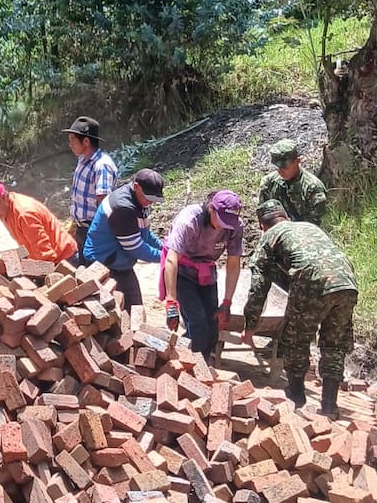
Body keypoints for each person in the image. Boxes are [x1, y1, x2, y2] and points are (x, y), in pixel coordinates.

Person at [243, 200, 357, 416]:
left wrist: (250, 324)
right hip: (347, 282)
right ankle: (330, 406)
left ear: (262, 225)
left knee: (295, 339)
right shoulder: (309, 227)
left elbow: (259, 286)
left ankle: (296, 398)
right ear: (285, 216)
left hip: (312, 282)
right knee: (335, 343)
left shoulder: (270, 236)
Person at [161, 190, 244, 358]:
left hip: (206, 272)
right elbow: (171, 259)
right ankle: (192, 369)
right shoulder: (190, 220)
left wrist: (227, 302)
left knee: (212, 325)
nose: (223, 226)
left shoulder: (235, 227)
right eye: (221, 220)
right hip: (182, 271)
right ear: (211, 208)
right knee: (198, 323)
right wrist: (171, 301)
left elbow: (234, 263)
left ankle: (203, 364)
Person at [83, 168, 166, 311]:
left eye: (154, 199)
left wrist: (165, 248)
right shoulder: (123, 208)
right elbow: (136, 248)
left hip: (120, 262)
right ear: (136, 187)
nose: (150, 202)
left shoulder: (140, 202)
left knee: (136, 310)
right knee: (117, 312)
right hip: (104, 264)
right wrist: (166, 257)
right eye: (149, 198)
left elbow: (145, 234)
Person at [0, 182, 77, 263]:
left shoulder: (25, 214)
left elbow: (46, 256)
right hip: (47, 257)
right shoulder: (5, 210)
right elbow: (26, 244)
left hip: (64, 259)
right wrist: (11, 259)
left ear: (3, 197)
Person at [65, 116, 120, 256]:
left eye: (72, 140)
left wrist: (98, 235)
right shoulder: (82, 160)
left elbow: (104, 204)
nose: (69, 144)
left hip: (94, 229)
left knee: (98, 271)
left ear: (86, 141)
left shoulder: (102, 165)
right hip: (81, 228)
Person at [259, 139, 327, 226]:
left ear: (297, 161)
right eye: (277, 167)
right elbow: (264, 217)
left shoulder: (313, 189)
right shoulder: (269, 183)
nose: (280, 171)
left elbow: (316, 226)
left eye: (284, 167)